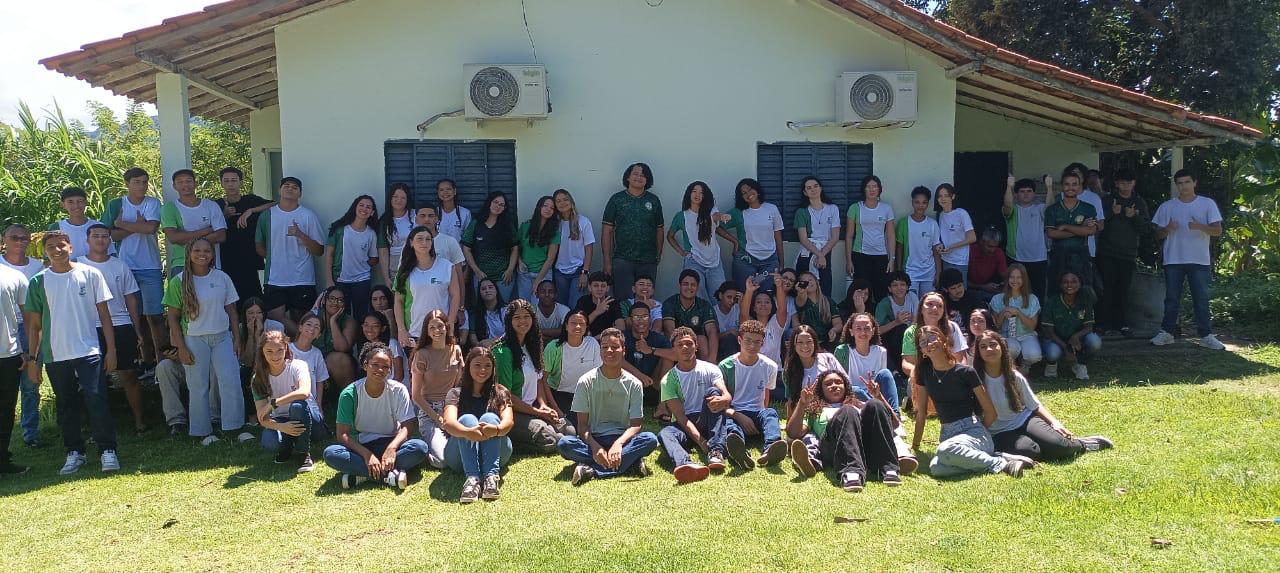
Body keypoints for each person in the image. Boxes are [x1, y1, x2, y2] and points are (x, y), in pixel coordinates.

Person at [25, 231, 120, 474]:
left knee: (96, 399)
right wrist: (33, 360)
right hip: (56, 354)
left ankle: (107, 450)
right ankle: (74, 452)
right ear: (44, 251)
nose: (57, 251)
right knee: (66, 405)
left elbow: (105, 317)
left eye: (61, 245)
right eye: (51, 247)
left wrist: (111, 351)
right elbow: (35, 325)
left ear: (70, 246)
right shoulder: (38, 281)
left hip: (89, 350)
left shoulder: (89, 274)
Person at [909, 325, 1030, 478]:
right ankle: (994, 457)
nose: (929, 344)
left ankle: (1003, 465)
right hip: (947, 434)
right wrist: (915, 446)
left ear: (944, 340)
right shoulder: (923, 372)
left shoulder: (966, 372)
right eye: (923, 342)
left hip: (973, 431)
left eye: (933, 338)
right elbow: (921, 412)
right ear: (922, 351)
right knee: (936, 468)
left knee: (944, 451)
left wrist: (979, 430)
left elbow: (991, 413)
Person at [163, 237, 251, 445]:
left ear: (212, 254)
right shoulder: (179, 281)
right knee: (198, 385)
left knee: (230, 380)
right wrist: (181, 346)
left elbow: (231, 310)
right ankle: (202, 431)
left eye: (207, 251)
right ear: (189, 254)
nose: (202, 254)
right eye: (197, 250)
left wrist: (237, 338)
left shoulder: (222, 278)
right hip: (194, 338)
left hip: (222, 337)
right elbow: (173, 317)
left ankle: (234, 426)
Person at [974, 331, 1112, 462]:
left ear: (1002, 348)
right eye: (983, 347)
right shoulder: (975, 380)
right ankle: (1044, 448)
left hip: (1024, 419)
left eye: (993, 345)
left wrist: (1055, 423)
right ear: (979, 353)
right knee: (1030, 451)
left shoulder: (1013, 376)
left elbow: (1034, 405)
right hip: (998, 431)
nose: (989, 349)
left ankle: (1083, 444)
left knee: (1060, 446)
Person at [557, 327, 659, 484]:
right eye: (605, 347)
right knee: (565, 444)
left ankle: (591, 471)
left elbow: (636, 425)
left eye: (615, 347)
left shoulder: (634, 384)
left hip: (623, 439)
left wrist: (618, 444)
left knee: (650, 439)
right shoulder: (586, 382)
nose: (609, 351)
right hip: (594, 438)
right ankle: (629, 462)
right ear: (600, 351)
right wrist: (596, 447)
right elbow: (582, 426)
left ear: (623, 350)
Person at [323, 342, 429, 490]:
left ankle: (362, 475)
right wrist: (367, 456)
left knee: (420, 447)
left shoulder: (398, 390)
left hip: (391, 442)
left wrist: (392, 448)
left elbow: (407, 426)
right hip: (361, 446)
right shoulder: (350, 393)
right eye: (375, 365)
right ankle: (390, 475)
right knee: (331, 453)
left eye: (386, 367)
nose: (380, 370)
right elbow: (343, 435)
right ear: (365, 365)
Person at [78, 224, 146, 433]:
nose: (100, 240)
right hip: (89, 327)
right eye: (96, 236)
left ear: (110, 240)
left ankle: (140, 421)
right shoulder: (76, 266)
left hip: (120, 324)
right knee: (91, 381)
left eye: (105, 236)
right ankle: (97, 427)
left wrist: (137, 330)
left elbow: (131, 299)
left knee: (129, 375)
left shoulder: (120, 265)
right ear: (87, 240)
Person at [787, 369, 902, 490]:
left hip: (863, 447)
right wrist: (802, 403)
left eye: (838, 382)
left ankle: (889, 468)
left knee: (875, 404)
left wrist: (878, 396)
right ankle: (851, 472)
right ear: (821, 390)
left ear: (845, 386)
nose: (834, 386)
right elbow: (793, 432)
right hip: (834, 448)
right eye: (828, 384)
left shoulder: (859, 404)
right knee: (848, 411)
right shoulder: (815, 410)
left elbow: (893, 425)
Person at [1150, 169, 1225, 350]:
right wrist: (1167, 228)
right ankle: (1166, 332)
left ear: (1194, 183)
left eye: (1187, 182)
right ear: (1176, 185)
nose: (1183, 186)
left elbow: (1218, 230)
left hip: (1199, 260)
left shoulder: (1207, 204)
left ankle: (1206, 335)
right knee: (1172, 298)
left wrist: (1200, 226)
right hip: (1173, 259)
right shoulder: (1168, 206)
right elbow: (1157, 235)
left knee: (1201, 298)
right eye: (1180, 183)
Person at [104, 167, 166, 375]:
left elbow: (150, 229)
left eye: (145, 182)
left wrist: (122, 224)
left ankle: (162, 361)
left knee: (155, 316)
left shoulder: (152, 203)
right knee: (133, 317)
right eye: (137, 182)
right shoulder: (116, 204)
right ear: (127, 183)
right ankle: (141, 360)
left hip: (150, 266)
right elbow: (109, 235)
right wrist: (135, 225)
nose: (141, 186)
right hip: (125, 266)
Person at [492, 299, 574, 453]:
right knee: (551, 439)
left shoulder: (531, 345)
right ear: (509, 321)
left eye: (526, 316)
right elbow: (505, 396)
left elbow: (538, 380)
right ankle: (506, 439)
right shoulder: (502, 351)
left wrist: (543, 405)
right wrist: (538, 412)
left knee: (569, 432)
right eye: (517, 317)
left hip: (532, 408)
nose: (522, 321)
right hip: (511, 411)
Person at [657, 327, 735, 483]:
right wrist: (701, 442)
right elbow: (680, 417)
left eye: (689, 343)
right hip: (685, 423)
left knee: (713, 392)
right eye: (680, 345)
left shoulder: (711, 369)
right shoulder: (668, 380)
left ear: (696, 346)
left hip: (708, 416)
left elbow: (724, 394)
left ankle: (716, 452)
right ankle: (684, 463)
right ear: (674, 350)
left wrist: (726, 398)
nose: (685, 348)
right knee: (664, 434)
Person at [441, 346, 515, 503]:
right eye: (477, 365)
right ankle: (472, 479)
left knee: (490, 417)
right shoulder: (455, 393)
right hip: (460, 456)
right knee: (467, 419)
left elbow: (508, 422)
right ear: (468, 366)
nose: (483, 370)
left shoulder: (500, 392)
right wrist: (467, 432)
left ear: (493, 368)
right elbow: (449, 422)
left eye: (488, 365)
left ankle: (491, 478)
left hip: (495, 451)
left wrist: (495, 430)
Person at [255, 177, 325, 333]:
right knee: (274, 319)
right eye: (286, 186)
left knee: (303, 320)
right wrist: (276, 259)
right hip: (275, 278)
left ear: (300, 193)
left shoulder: (308, 215)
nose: (290, 189)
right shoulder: (267, 215)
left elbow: (319, 250)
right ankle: (298, 343)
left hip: (302, 278)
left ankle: (302, 349)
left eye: (295, 187)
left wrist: (301, 235)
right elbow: (259, 246)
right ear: (280, 190)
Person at [252, 330, 325, 473]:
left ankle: (303, 454)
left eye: (279, 350)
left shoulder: (298, 365)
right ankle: (289, 443)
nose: (275, 356)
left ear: (286, 348)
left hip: (308, 416)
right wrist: (281, 427)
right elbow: (262, 417)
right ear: (262, 352)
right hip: (281, 418)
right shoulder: (258, 378)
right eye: (269, 351)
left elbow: (304, 392)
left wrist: (273, 403)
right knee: (270, 442)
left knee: (297, 405)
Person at [719, 319, 785, 469]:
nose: (752, 346)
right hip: (734, 413)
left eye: (757, 342)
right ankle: (739, 449)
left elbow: (766, 396)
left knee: (770, 413)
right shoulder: (726, 366)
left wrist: (759, 417)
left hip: (757, 413)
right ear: (739, 340)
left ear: (762, 343)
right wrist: (738, 416)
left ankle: (771, 447)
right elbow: (721, 403)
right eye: (747, 341)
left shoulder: (770, 366)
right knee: (729, 424)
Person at [1, 225, 44, 447]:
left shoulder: (38, 267)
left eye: (24, 238)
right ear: (4, 239)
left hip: (32, 325)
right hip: (5, 327)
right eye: (14, 237)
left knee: (30, 383)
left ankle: (30, 433)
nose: (19, 242)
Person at [1097, 169, 1150, 337]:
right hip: (1107, 253)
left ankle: (1122, 324)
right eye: (1122, 182)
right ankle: (1104, 324)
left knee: (1124, 290)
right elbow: (1098, 224)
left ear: (1134, 183)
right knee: (1107, 289)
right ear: (1116, 183)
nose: (1125, 185)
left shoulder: (1139, 202)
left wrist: (1133, 216)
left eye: (1129, 182)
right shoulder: (1107, 200)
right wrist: (1112, 212)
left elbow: (1146, 228)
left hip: (1128, 254)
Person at [410, 309, 464, 470]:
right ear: (427, 331)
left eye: (439, 326)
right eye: (431, 327)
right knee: (443, 461)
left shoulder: (456, 350)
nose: (436, 331)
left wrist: (450, 412)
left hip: (452, 407)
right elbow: (416, 396)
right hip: (429, 412)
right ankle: (422, 451)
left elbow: (459, 385)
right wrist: (438, 419)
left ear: (447, 327)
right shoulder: (422, 354)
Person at [601, 162, 664, 297]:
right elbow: (607, 230)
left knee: (645, 301)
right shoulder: (616, 199)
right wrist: (607, 261)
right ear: (628, 177)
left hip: (648, 260)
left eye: (643, 175)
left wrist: (658, 255)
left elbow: (659, 229)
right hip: (622, 259)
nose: (639, 177)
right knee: (623, 301)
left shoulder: (654, 200)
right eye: (635, 174)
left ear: (648, 180)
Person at [393, 226, 460, 352]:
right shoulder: (404, 271)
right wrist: (401, 329)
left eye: (428, 239)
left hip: (440, 331)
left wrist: (450, 325)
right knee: (417, 371)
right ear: (411, 243)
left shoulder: (446, 266)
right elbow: (398, 301)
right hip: (415, 332)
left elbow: (455, 296)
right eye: (419, 239)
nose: (424, 243)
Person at [668, 181, 736, 302]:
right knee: (698, 298)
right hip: (693, 261)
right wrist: (681, 252)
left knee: (719, 297)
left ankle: (717, 321)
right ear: (689, 194)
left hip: (714, 262)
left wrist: (722, 217)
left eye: (701, 192)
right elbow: (670, 236)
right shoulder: (681, 216)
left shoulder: (711, 211)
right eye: (694, 191)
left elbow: (716, 216)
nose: (697, 194)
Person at [901, 291, 969, 411]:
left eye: (939, 306)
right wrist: (917, 373)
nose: (935, 308)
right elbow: (907, 363)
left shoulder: (952, 328)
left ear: (943, 311)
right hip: (923, 376)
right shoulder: (911, 332)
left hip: (949, 373)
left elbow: (961, 358)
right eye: (930, 304)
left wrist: (955, 375)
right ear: (921, 309)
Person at [214, 166, 274, 302]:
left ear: (240, 182)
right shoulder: (215, 205)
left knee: (254, 299)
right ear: (221, 183)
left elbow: (275, 204)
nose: (230, 184)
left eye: (234, 180)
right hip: (225, 259)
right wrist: (224, 216)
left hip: (249, 258)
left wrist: (251, 210)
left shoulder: (251, 200)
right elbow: (208, 227)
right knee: (229, 300)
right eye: (227, 180)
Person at [324, 195, 381, 322]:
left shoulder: (371, 233)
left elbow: (374, 258)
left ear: (372, 212)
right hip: (340, 279)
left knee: (361, 315)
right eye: (361, 205)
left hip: (362, 280)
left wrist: (361, 264)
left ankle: (360, 342)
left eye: (368, 207)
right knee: (340, 314)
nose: (364, 209)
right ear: (355, 207)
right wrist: (329, 280)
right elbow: (329, 254)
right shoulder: (340, 229)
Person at [834, 313, 900, 416]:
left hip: (875, 393)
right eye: (858, 328)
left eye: (867, 328)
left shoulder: (881, 352)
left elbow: (882, 381)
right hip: (853, 394)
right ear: (851, 331)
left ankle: (895, 415)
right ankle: (883, 411)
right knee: (855, 390)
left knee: (886, 373)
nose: (863, 332)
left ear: (873, 331)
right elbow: (838, 381)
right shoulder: (842, 351)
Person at [161, 169, 226, 273]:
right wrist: (206, 231)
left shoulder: (211, 205)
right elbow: (173, 237)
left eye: (188, 181)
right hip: (182, 264)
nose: (185, 185)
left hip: (210, 264)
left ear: (195, 183)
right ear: (174, 186)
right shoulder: (169, 208)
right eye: (180, 182)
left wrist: (186, 238)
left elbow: (221, 235)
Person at [1044, 170, 1098, 295]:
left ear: (1079, 187)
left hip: (1081, 254)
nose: (1071, 187)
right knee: (1055, 292)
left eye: (1074, 184)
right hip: (1058, 254)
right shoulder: (1052, 209)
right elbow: (1051, 233)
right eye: (1067, 184)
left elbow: (1091, 231)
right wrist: (1079, 229)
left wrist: (1066, 226)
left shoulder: (1088, 208)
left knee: (1084, 292)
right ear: (1062, 187)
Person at [1041, 272, 1103, 380]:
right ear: (1060, 285)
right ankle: (1051, 366)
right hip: (1056, 340)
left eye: (1074, 281)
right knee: (1052, 353)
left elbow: (1089, 327)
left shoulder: (1085, 299)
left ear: (1080, 283)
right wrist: (1066, 348)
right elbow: (1049, 332)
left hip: (1077, 340)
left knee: (1095, 341)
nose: (1069, 285)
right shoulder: (1052, 302)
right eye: (1066, 282)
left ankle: (1081, 364)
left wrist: (1075, 337)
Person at [726, 178, 784, 291]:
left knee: (766, 296)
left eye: (750, 189)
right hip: (746, 260)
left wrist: (781, 263)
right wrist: (735, 241)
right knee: (745, 295)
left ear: (757, 190)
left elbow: (778, 238)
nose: (748, 194)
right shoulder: (738, 212)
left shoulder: (771, 209)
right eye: (744, 193)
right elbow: (717, 226)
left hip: (770, 261)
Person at [844, 175, 896, 299]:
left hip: (881, 256)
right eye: (868, 187)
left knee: (881, 292)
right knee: (861, 292)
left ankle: (879, 318)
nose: (872, 189)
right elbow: (849, 236)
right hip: (860, 255)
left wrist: (892, 259)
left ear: (879, 189)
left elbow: (890, 235)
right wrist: (849, 260)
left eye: (875, 186)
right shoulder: (855, 208)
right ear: (864, 189)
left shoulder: (886, 208)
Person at [543, 310, 602, 416]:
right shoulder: (553, 347)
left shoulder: (592, 343)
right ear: (566, 326)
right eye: (573, 323)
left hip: (586, 396)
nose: (578, 327)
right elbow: (543, 380)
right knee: (571, 429)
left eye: (582, 324)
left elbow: (598, 376)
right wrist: (555, 408)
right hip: (559, 395)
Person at [462, 191, 518, 301]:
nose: (497, 206)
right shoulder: (476, 223)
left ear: (504, 208)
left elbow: (515, 248)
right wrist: (476, 270)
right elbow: (466, 248)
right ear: (489, 203)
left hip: (503, 276)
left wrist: (510, 269)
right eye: (495, 202)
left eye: (501, 205)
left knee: (505, 308)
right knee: (482, 309)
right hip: (481, 276)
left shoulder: (508, 225)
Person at [0, 261, 29, 474]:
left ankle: (2, 460)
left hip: (8, 354)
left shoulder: (14, 276)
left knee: (5, 410)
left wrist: (28, 350)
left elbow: (29, 317)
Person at [1003, 176, 1051, 302]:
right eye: (1022, 191)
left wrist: (1050, 187)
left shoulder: (1039, 208)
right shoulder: (1013, 209)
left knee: (1038, 296)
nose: (1026, 194)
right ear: (1016, 194)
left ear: (1034, 193)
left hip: (1039, 259)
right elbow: (1007, 206)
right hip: (1016, 259)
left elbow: (1051, 209)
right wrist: (1009, 187)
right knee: (1015, 295)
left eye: (1029, 191)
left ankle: (1037, 321)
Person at [781, 325, 845, 418]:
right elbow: (791, 400)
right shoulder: (789, 370)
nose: (805, 346)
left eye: (809, 342)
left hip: (838, 404)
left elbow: (846, 383)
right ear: (794, 345)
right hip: (814, 412)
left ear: (815, 343)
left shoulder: (828, 358)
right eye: (800, 342)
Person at [793, 176, 842, 297]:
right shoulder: (802, 211)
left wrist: (822, 255)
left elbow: (835, 236)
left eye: (815, 186)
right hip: (808, 251)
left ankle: (824, 314)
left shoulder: (833, 209)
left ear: (821, 188)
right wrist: (819, 255)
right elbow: (803, 239)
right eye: (809, 188)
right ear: (805, 192)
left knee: (825, 286)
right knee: (804, 287)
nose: (813, 190)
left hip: (826, 250)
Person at [989, 264, 1042, 370]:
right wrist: (1003, 313)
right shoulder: (997, 299)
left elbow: (1032, 326)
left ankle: (1025, 364)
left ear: (1024, 279)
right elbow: (995, 326)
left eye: (1019, 277)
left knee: (1034, 355)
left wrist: (1018, 313)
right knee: (1011, 348)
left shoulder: (1032, 299)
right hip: (1006, 335)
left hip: (1026, 335)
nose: (1015, 280)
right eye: (1012, 277)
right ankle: (1010, 365)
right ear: (1007, 278)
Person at [661, 270, 719, 360]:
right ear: (679, 285)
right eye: (685, 284)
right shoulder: (670, 303)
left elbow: (712, 331)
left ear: (697, 287)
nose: (689, 287)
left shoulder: (704, 305)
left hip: (696, 344)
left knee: (701, 339)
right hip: (676, 344)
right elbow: (669, 330)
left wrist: (712, 359)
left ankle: (708, 368)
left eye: (693, 285)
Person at [551, 189, 595, 307]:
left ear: (571, 201)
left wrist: (585, 272)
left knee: (575, 306)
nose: (562, 203)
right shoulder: (555, 224)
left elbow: (589, 249)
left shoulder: (584, 222)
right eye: (558, 201)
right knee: (561, 307)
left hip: (578, 271)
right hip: (559, 272)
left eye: (565, 199)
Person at [895, 186, 942, 296]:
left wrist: (938, 273)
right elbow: (899, 249)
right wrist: (899, 271)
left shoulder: (932, 224)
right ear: (912, 202)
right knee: (912, 304)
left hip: (929, 272)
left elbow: (936, 250)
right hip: (910, 271)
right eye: (917, 202)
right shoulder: (903, 223)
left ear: (928, 204)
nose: (920, 206)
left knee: (928, 303)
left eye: (924, 202)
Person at [310, 287, 359, 389]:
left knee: (338, 358)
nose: (335, 303)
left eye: (340, 300)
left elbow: (341, 348)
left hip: (339, 367)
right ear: (324, 301)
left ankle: (348, 399)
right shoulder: (313, 317)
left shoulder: (349, 321)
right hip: (314, 362)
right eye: (331, 299)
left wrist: (333, 321)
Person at [516, 196, 562, 300]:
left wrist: (538, 281)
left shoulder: (554, 232)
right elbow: (516, 247)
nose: (548, 209)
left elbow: (550, 259)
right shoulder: (525, 226)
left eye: (552, 208)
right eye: (545, 205)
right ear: (539, 207)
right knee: (524, 306)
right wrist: (519, 261)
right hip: (524, 273)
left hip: (543, 273)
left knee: (539, 306)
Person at [739, 272, 788, 368]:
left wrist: (779, 286)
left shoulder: (775, 324)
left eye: (767, 302)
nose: (763, 304)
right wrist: (749, 291)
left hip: (775, 373)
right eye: (759, 302)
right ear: (754, 307)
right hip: (752, 371)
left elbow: (782, 310)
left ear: (772, 306)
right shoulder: (750, 326)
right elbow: (743, 315)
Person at [50, 187, 113, 259]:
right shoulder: (57, 228)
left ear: (86, 202)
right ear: (63, 204)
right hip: (67, 269)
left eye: (80, 201)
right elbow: (50, 255)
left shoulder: (99, 226)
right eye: (70, 202)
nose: (76, 206)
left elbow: (110, 254)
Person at [874, 271, 917, 374]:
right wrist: (896, 322)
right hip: (891, 340)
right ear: (889, 289)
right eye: (895, 285)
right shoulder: (884, 304)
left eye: (902, 284)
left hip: (912, 337)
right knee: (901, 328)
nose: (899, 288)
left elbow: (919, 320)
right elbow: (876, 331)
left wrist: (912, 318)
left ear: (907, 287)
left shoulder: (912, 297)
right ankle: (898, 371)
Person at [933, 183, 976, 285]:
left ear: (953, 197)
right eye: (940, 196)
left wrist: (951, 247)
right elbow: (943, 238)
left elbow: (972, 238)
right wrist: (941, 246)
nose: (943, 199)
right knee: (947, 290)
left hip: (960, 261)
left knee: (959, 291)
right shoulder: (940, 215)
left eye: (946, 195)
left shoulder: (961, 213)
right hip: (945, 259)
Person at [288, 313, 331, 409]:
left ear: (319, 335)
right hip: (287, 400)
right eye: (308, 324)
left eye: (317, 327)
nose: (312, 329)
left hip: (309, 403)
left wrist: (318, 404)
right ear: (300, 328)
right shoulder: (286, 348)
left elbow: (320, 380)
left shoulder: (317, 353)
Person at [793, 270, 842, 350]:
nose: (808, 282)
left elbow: (838, 323)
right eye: (804, 281)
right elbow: (801, 299)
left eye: (810, 280)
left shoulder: (828, 301)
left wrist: (834, 330)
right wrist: (801, 291)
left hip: (827, 341)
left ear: (816, 282)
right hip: (808, 342)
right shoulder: (801, 300)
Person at [378, 182, 416, 282]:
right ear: (390, 198)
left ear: (407, 200)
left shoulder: (415, 215)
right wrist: (386, 278)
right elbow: (383, 251)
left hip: (417, 266)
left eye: (403, 197)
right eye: (395, 196)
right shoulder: (384, 221)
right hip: (395, 269)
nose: (399, 200)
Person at [354, 312, 405, 383]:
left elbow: (399, 376)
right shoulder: (365, 347)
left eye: (375, 326)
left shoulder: (392, 344)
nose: (369, 329)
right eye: (366, 325)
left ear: (383, 328)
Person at [574, 271, 625, 337]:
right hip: (587, 339)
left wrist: (601, 336)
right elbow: (578, 324)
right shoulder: (583, 301)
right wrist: (597, 312)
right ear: (589, 287)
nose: (599, 289)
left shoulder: (612, 302)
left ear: (607, 288)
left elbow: (621, 327)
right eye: (596, 286)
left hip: (608, 338)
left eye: (603, 286)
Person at [967, 226, 1009, 304]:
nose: (992, 250)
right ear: (981, 242)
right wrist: (982, 286)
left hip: (990, 289)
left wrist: (1003, 286)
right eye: (989, 246)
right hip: (971, 289)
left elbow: (1005, 277)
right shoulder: (970, 251)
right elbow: (962, 282)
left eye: (995, 247)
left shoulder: (998, 252)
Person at [467, 278, 507, 347]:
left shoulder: (507, 311)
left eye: (490, 287)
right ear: (479, 293)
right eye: (483, 289)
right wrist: (481, 346)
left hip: (504, 347)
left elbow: (512, 335)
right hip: (484, 350)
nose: (487, 290)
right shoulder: (474, 314)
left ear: (496, 290)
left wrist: (493, 341)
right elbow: (473, 339)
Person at [435, 178, 471, 243]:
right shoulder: (434, 213)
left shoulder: (465, 213)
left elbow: (467, 238)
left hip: (458, 252)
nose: (445, 192)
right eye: (441, 190)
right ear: (438, 193)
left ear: (454, 191)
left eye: (448, 189)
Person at [712, 281, 741, 360]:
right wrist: (729, 332)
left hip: (738, 347)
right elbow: (711, 338)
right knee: (729, 339)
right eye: (729, 297)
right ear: (721, 295)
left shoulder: (738, 309)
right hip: (720, 348)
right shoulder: (713, 311)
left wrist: (743, 304)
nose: (732, 301)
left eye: (734, 298)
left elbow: (747, 328)